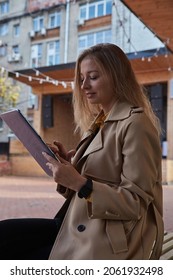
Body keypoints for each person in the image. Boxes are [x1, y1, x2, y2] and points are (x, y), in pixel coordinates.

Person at [0, 43, 163, 260]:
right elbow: (95, 181)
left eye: (93, 77)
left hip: (108, 240)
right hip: (81, 224)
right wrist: (70, 168)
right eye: (81, 78)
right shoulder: (100, 122)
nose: (84, 85)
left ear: (117, 76)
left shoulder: (136, 124)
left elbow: (135, 204)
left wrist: (79, 182)